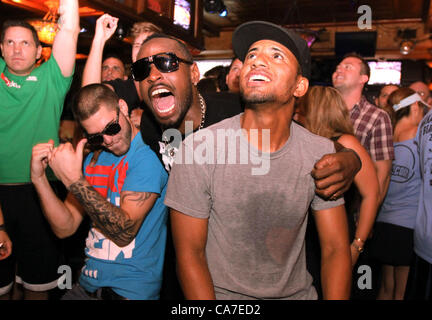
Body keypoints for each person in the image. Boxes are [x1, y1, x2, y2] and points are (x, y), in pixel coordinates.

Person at [163, 20, 352, 300]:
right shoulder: (198, 148)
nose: (257, 61)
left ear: (299, 87)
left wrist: (352, 159)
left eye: (276, 55)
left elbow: (336, 249)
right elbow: (190, 255)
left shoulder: (319, 153)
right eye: (251, 55)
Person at [135, 33, 362, 199]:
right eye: (141, 70)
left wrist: (351, 159)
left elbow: (303, 141)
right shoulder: (150, 125)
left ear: (194, 73)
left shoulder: (238, 109)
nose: (153, 76)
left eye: (166, 63)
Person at [30, 84, 168, 300]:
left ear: (122, 107)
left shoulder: (146, 156)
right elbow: (65, 227)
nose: (108, 140)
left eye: (111, 128)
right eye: (96, 137)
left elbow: (124, 232)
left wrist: (74, 180)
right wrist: (39, 180)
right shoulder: (96, 158)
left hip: (128, 292)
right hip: (86, 286)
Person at [0, 0, 79, 300]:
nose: (17, 49)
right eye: (10, 43)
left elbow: (69, 28)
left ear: (38, 51)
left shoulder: (52, 79)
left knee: (38, 286)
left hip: (41, 193)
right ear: (2, 48)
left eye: (25, 43)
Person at [298, 86, 380, 266]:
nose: (296, 114)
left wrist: (357, 245)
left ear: (315, 111)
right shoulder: (307, 143)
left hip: (340, 233)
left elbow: (372, 194)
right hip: (311, 235)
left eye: (301, 109)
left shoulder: (345, 142)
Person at [369, 88, 427, 300]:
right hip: (409, 225)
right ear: (414, 106)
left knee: (385, 288)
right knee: (402, 292)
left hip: (384, 222)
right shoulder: (419, 135)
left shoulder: (388, 136)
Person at [332, 53, 394, 204]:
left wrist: (366, 215)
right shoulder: (321, 112)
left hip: (353, 205)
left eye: (347, 67)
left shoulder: (377, 117)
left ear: (363, 78)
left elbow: (382, 173)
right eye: (337, 68)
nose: (339, 70)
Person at [82, 14, 161, 127]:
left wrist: (148, 120)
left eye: (147, 44)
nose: (142, 50)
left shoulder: (168, 83)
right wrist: (99, 40)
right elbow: (89, 99)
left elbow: (188, 124)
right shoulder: (125, 88)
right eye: (137, 45)